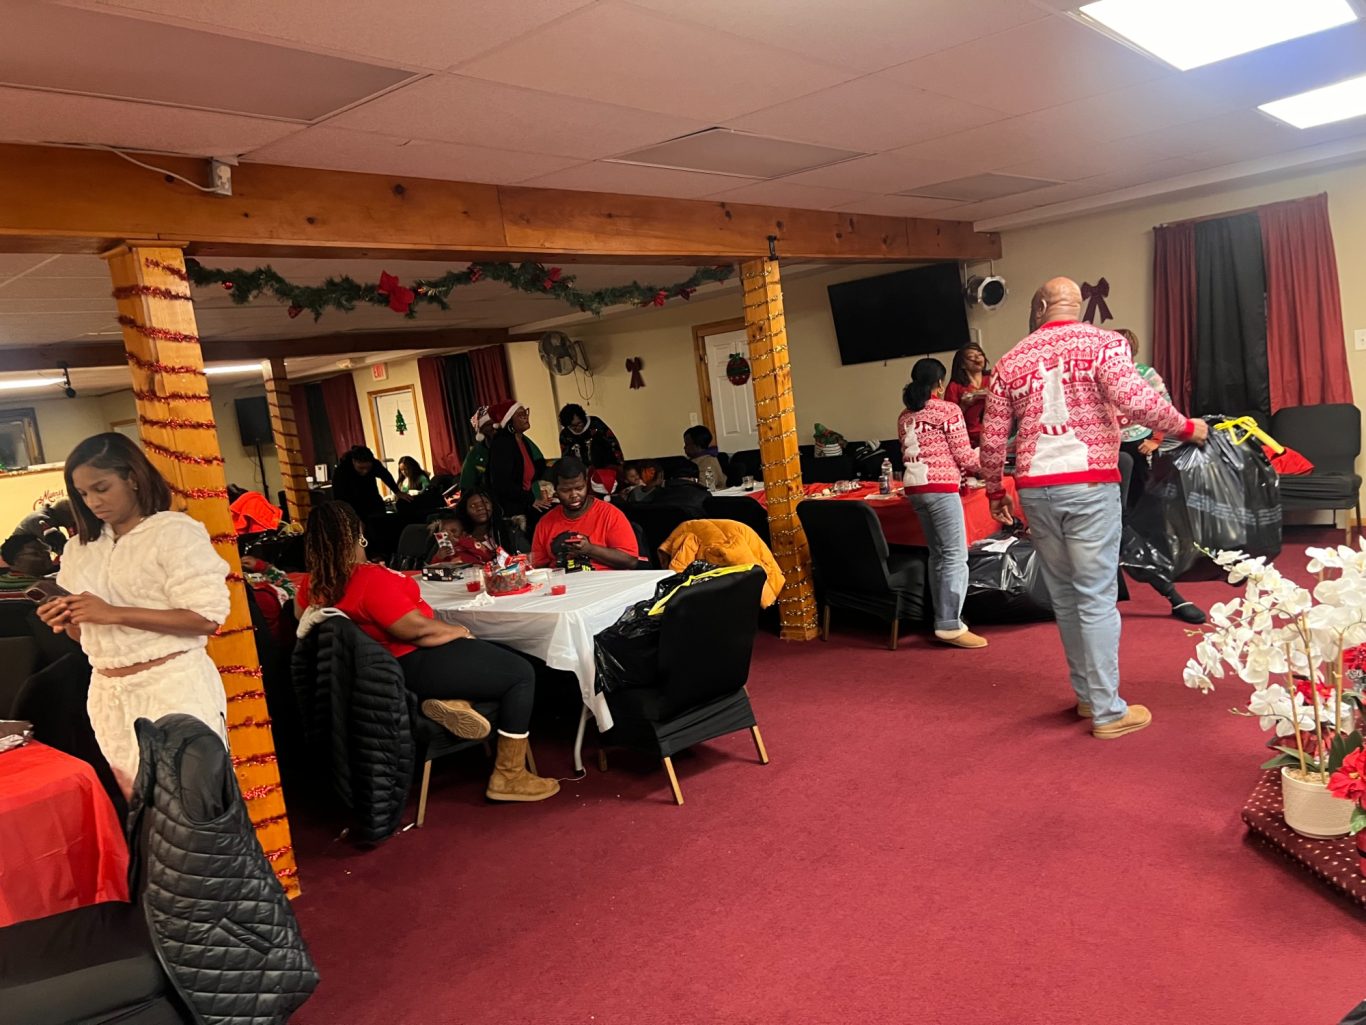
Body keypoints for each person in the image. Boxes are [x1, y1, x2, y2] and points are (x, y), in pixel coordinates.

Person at [980, 277, 1207, 741]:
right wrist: (1186, 427)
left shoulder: (1010, 360)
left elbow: (993, 436)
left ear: (1039, 307)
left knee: (1065, 597)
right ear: (1078, 304)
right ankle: (1107, 711)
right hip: (1088, 483)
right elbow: (1137, 401)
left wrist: (994, 490)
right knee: (1096, 596)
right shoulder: (1104, 343)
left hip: (1035, 488)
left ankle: (1087, 696)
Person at [301, 502, 557, 802]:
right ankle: (509, 775)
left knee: (497, 654)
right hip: (412, 661)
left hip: (379, 674)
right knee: (521, 672)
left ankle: (455, 701)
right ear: (358, 534)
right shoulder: (367, 579)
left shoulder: (311, 585)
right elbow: (417, 631)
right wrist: (460, 631)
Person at [35, 433, 232, 796]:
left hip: (173, 686)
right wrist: (67, 619)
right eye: (82, 493)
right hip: (108, 695)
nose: (93, 501)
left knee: (192, 806)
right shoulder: (80, 549)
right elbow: (85, 636)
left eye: (102, 488)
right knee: (141, 809)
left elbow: (206, 618)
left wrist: (113, 613)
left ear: (133, 478)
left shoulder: (174, 533)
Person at [899, 358, 987, 650]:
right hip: (940, 488)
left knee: (938, 555)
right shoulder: (948, 410)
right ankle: (950, 625)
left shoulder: (905, 415)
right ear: (939, 383)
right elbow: (965, 458)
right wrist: (989, 455)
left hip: (915, 488)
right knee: (954, 556)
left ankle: (942, 618)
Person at [531, 456, 639, 571]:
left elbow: (631, 561)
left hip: (603, 580)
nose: (574, 495)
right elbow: (538, 565)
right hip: (562, 580)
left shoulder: (610, 514)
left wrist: (590, 549)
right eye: (565, 490)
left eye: (579, 488)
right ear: (555, 490)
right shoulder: (545, 522)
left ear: (586, 483)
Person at [1113, 328, 1169, 507]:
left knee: (1139, 494)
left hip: (1138, 441)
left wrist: (1156, 440)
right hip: (1109, 443)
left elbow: (1164, 407)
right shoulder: (1100, 375)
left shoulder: (1145, 374)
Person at [487, 401, 551, 520]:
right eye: (520, 415)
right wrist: (531, 500)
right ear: (509, 421)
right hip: (514, 507)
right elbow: (502, 484)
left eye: (525, 412)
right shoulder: (502, 443)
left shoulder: (522, 440)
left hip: (526, 500)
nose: (526, 417)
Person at [447, 489, 529, 565]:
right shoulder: (461, 537)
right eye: (473, 505)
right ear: (466, 511)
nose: (480, 507)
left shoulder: (510, 529)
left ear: (492, 505)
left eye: (485, 503)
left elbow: (527, 555)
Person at [559, 403, 625, 496]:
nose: (577, 428)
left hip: (605, 469)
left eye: (579, 423)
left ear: (583, 418)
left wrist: (620, 465)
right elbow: (566, 458)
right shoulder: (565, 434)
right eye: (572, 426)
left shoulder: (596, 424)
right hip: (582, 474)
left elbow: (613, 444)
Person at [943, 343, 993, 447]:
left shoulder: (993, 378)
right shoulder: (954, 386)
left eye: (980, 354)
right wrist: (964, 405)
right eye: (971, 357)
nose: (977, 358)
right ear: (962, 364)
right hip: (968, 440)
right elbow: (949, 420)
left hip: (995, 434)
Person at [459, 407, 497, 497]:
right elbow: (467, 485)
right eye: (488, 425)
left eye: (495, 423)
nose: (494, 427)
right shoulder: (476, 453)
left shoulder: (513, 443)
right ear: (481, 431)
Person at [683, 425, 725, 491]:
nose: (684, 447)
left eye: (687, 444)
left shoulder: (708, 461)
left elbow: (706, 485)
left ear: (697, 445)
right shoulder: (693, 460)